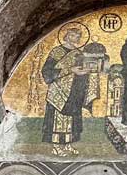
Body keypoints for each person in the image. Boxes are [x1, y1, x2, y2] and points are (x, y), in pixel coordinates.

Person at [40, 25, 99, 155]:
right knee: (58, 118)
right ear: (66, 36)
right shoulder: (57, 51)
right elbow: (47, 71)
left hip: (75, 90)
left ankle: (67, 144)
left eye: (78, 36)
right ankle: (56, 146)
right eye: (72, 35)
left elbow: (82, 70)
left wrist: (87, 72)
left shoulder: (80, 53)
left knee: (72, 118)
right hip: (59, 91)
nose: (75, 38)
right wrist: (69, 70)